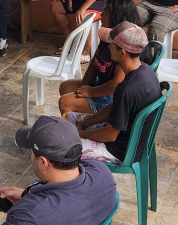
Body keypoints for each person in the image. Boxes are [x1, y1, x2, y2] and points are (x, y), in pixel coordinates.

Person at [64, 22, 162, 164]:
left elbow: (109, 135)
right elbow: (114, 108)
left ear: (122, 53)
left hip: (120, 150)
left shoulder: (127, 89)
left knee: (64, 144)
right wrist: (85, 122)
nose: (109, 47)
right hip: (126, 139)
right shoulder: (146, 70)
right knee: (70, 117)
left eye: (112, 46)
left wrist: (79, 134)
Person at [57, 0, 142, 115]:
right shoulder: (108, 35)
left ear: (116, 17)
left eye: (105, 13)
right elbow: (94, 65)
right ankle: (83, 120)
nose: (101, 16)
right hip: (102, 84)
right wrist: (84, 88)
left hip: (113, 96)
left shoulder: (124, 45)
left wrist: (91, 93)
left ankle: (78, 129)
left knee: (65, 102)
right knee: (65, 87)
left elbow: (116, 84)